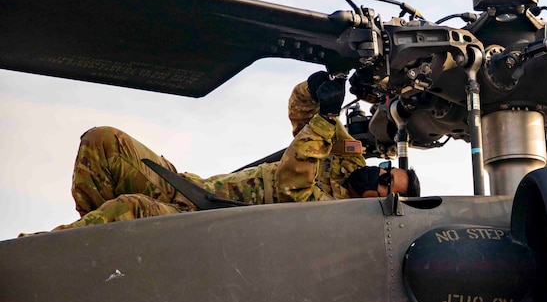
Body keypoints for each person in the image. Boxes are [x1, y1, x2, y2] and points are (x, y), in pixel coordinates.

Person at [47, 71, 420, 231]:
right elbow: (301, 113)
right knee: (104, 140)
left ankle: (42, 255)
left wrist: (325, 120)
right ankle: (93, 248)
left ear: (380, 201)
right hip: (191, 190)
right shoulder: (348, 161)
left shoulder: (333, 215)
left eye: (388, 183)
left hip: (201, 223)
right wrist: (318, 87)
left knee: (130, 209)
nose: (380, 173)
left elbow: (293, 178)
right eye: (387, 169)